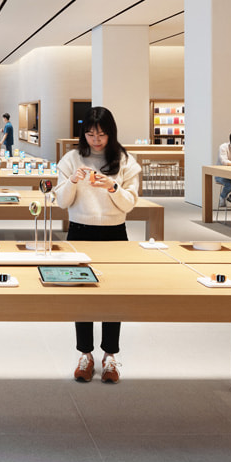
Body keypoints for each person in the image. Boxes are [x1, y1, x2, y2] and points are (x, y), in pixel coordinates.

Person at [54, 106, 141, 384]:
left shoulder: (126, 161)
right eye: (90, 134)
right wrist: (72, 181)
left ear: (110, 133)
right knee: (81, 295)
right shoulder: (72, 158)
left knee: (113, 295)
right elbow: (61, 201)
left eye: (101, 134)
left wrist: (112, 187)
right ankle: (85, 354)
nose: (96, 140)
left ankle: (110, 356)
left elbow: (130, 203)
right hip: (80, 230)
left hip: (115, 232)